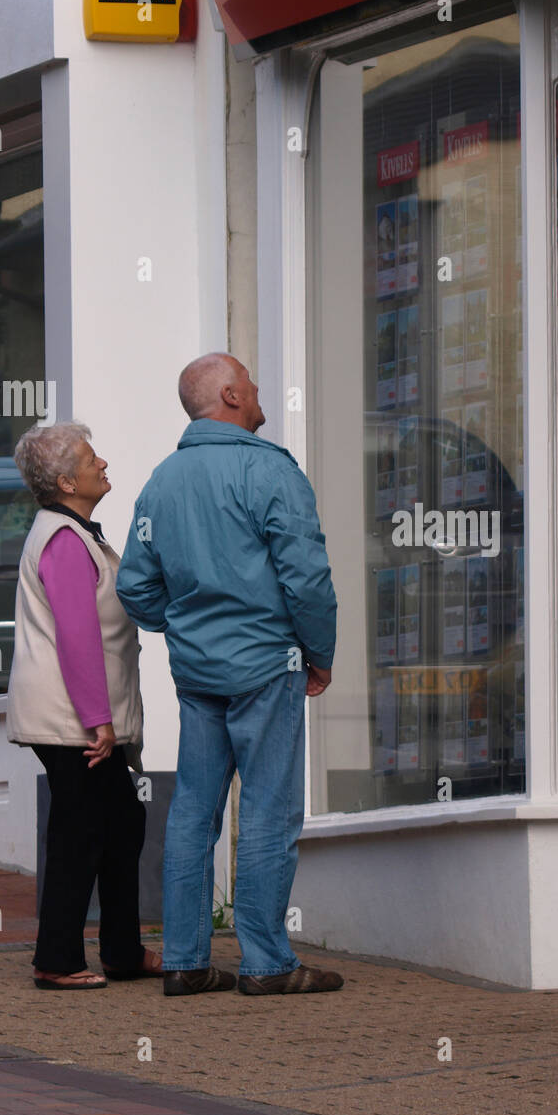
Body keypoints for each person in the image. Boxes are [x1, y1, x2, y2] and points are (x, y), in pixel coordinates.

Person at [116, 353, 340, 998]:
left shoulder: (162, 480)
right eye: (255, 383)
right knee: (268, 811)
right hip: (269, 662)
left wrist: (186, 626)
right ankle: (267, 964)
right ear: (234, 394)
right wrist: (319, 651)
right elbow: (307, 576)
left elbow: (135, 584)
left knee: (192, 811)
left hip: (198, 670)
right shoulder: (268, 468)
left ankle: (184, 961)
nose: (262, 392)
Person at [6, 422, 161, 989]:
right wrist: (99, 719)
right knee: (83, 830)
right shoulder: (65, 541)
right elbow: (77, 636)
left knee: (119, 822)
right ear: (67, 480)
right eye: (92, 459)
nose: (103, 464)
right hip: (74, 722)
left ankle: (120, 950)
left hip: (82, 720)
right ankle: (58, 960)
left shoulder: (76, 533)